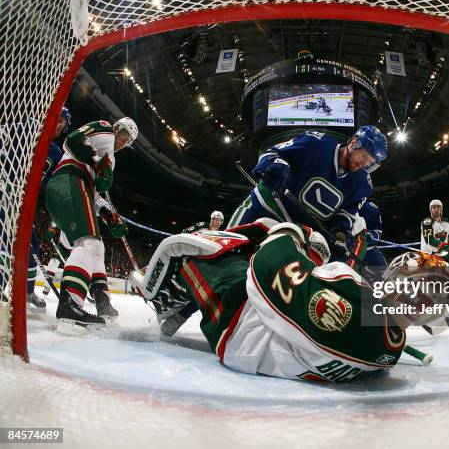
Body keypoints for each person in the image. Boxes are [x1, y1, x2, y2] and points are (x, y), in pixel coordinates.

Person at [132, 221, 409, 383]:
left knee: (195, 250)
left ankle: (162, 299)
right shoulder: (389, 347)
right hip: (269, 347)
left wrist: (288, 233)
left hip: (245, 329)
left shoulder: (350, 300)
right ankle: (184, 301)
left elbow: (269, 272)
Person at [45, 117, 138, 333]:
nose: (123, 141)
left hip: (77, 187)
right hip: (69, 181)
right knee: (89, 244)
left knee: (97, 247)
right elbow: (73, 140)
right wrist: (95, 161)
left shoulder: (111, 160)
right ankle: (70, 307)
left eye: (128, 141)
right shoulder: (105, 129)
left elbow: (95, 195)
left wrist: (108, 213)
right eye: (123, 135)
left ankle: (102, 301)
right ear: (117, 128)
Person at [227, 125, 387, 250]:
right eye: (365, 156)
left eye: (370, 162)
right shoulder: (316, 143)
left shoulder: (363, 184)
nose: (365, 164)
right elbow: (270, 154)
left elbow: (347, 213)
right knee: (226, 250)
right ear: (353, 143)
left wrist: (341, 232)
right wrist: (277, 164)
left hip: (298, 234)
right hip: (263, 207)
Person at [26, 107, 72, 311]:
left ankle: (27, 291)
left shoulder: (56, 153)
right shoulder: (26, 130)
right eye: (58, 119)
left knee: (32, 244)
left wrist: (54, 223)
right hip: (6, 193)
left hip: (25, 205)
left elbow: (56, 191)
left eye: (63, 122)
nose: (60, 124)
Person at [420, 199, 449, 265]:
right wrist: (441, 245)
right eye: (434, 207)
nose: (436, 209)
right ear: (430, 209)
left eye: (438, 207)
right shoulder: (427, 222)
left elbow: (448, 237)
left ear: (441, 208)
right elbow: (429, 239)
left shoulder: (446, 222)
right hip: (430, 255)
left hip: (444, 253)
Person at [359, 200, 387, 277]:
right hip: (346, 250)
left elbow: (376, 231)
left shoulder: (370, 208)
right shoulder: (340, 204)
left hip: (368, 250)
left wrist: (369, 236)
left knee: (384, 276)